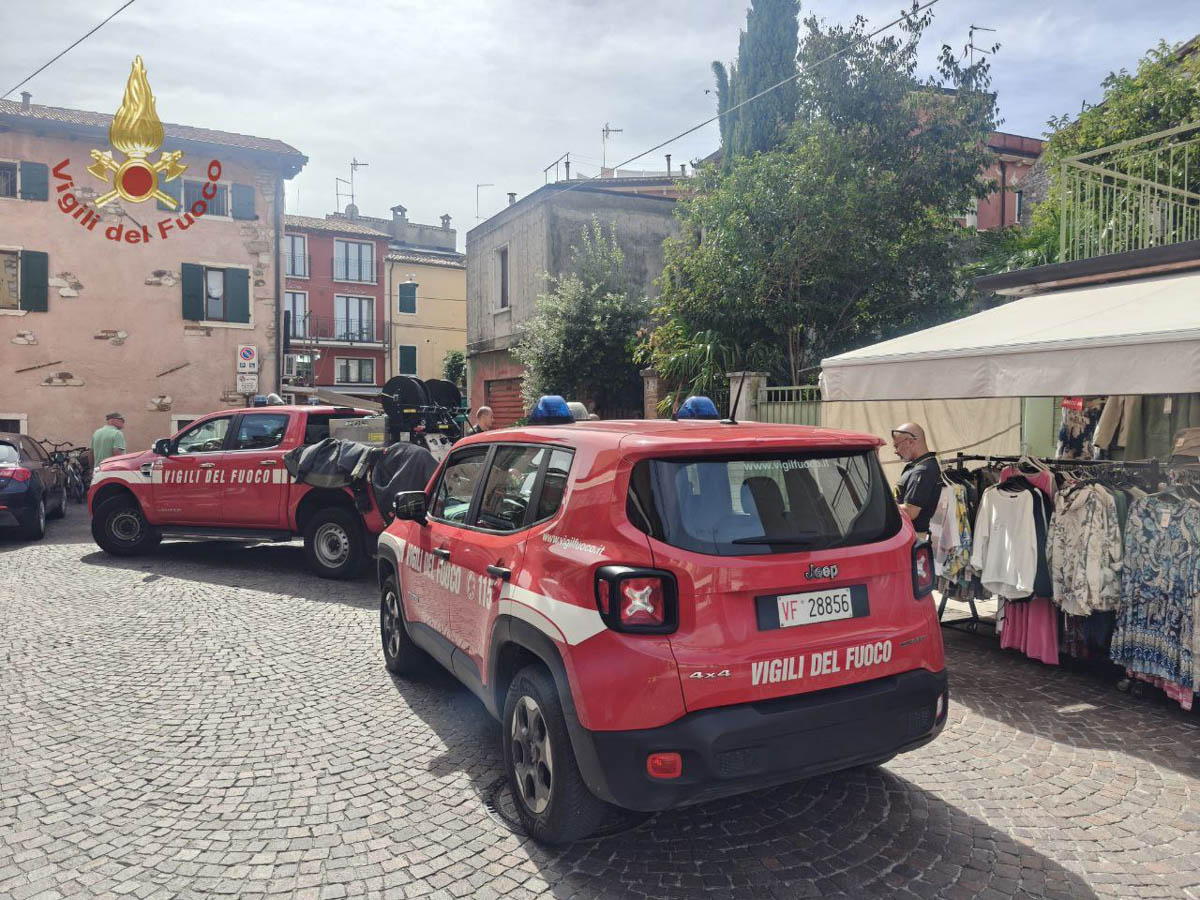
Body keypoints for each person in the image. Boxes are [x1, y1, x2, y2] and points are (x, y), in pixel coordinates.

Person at [891, 422, 941, 538]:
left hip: (912, 538)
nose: (895, 451)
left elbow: (910, 511)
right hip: (908, 536)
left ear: (910, 441)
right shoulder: (919, 466)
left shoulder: (922, 470)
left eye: (896, 446)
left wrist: (883, 506)